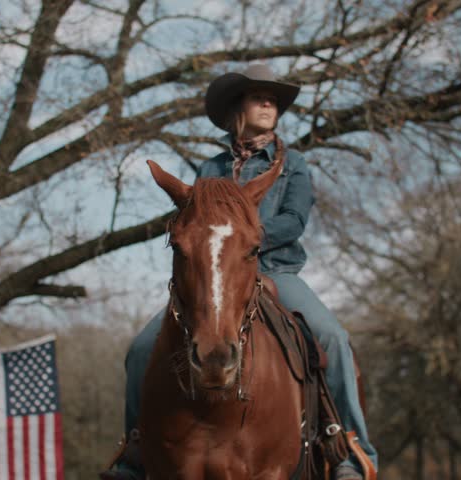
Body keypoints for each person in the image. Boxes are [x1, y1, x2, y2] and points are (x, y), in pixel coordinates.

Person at [101, 64, 377, 480]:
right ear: (237, 109)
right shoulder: (209, 170)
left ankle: (348, 448)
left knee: (333, 337)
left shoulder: (294, 165)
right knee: (141, 349)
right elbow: (195, 224)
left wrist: (242, 239)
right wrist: (220, 247)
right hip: (213, 278)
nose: (269, 104)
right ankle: (134, 452)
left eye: (274, 100)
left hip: (277, 273)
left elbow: (294, 220)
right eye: (258, 96)